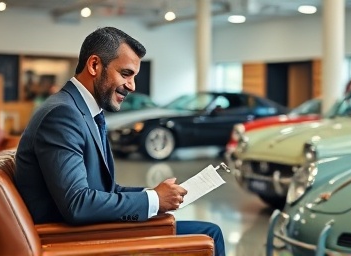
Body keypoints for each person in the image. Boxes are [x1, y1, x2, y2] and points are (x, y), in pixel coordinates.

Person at [13, 27, 225, 255]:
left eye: (134, 76)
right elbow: (77, 204)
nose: (132, 85)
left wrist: (155, 195)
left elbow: (105, 189)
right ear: (94, 65)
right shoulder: (62, 115)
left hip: (91, 229)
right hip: (75, 238)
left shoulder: (83, 110)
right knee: (208, 234)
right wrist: (153, 200)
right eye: (126, 74)